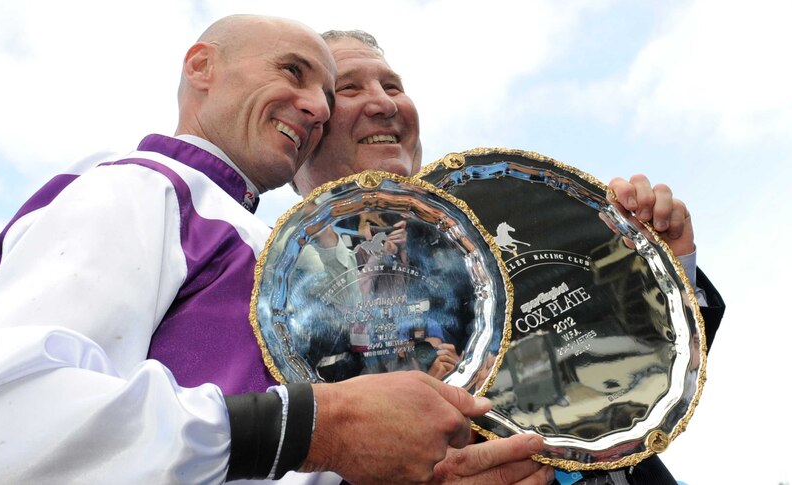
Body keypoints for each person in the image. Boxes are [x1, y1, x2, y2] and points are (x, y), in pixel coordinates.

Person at [0, 16, 516, 485]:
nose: (315, 105)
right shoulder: (147, 186)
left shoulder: (274, 254)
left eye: (324, 92)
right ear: (202, 66)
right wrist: (319, 428)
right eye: (294, 71)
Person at [293, 30, 725, 485]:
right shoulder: (281, 308)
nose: (384, 103)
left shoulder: (512, 213)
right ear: (308, 128)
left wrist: (666, 272)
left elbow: (626, 372)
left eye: (393, 86)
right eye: (350, 88)